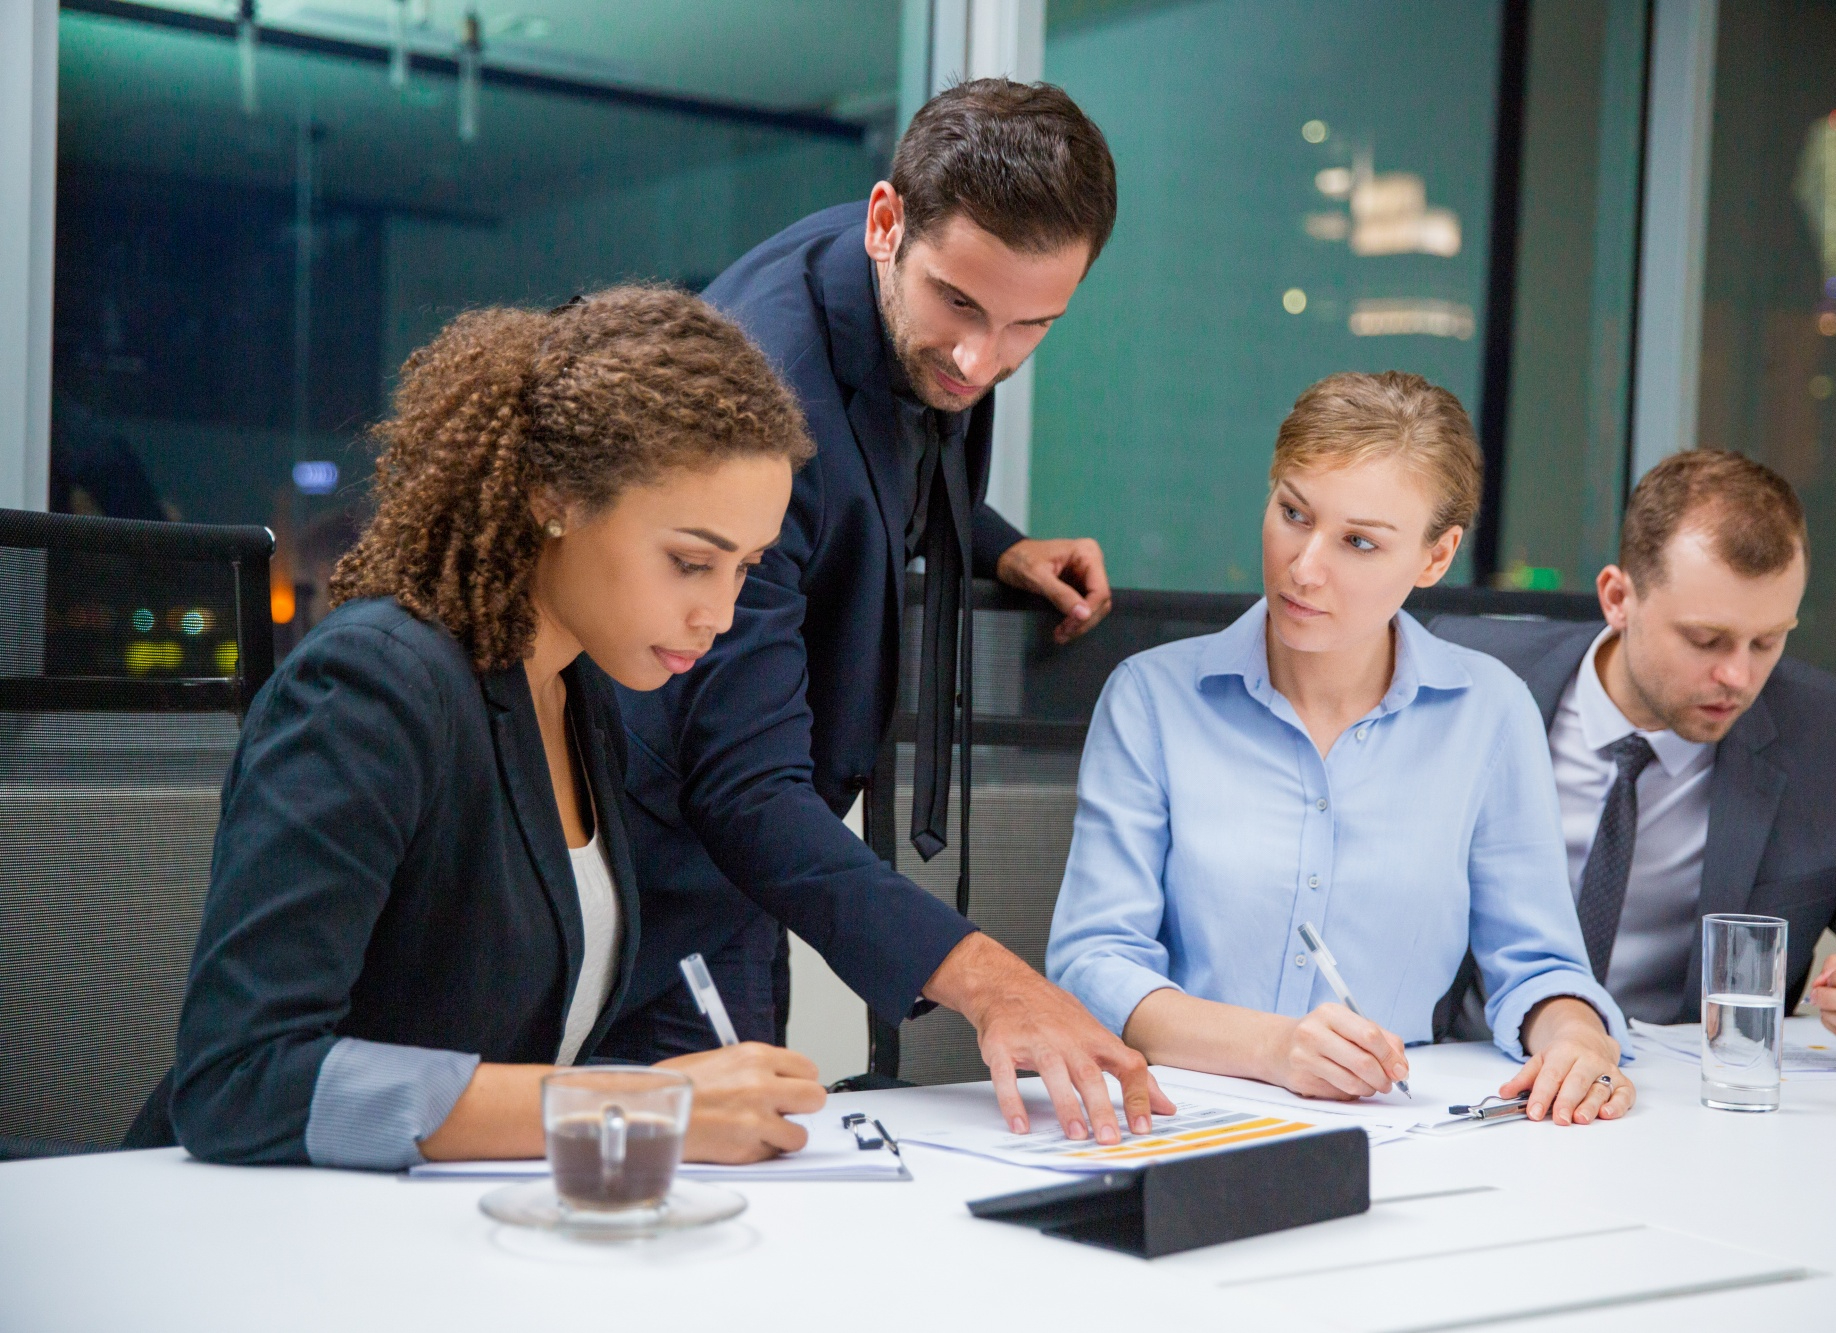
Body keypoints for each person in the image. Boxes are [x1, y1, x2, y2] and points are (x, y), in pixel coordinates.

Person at [608, 79, 1168, 1144]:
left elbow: (890, 453)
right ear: (885, 222)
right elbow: (740, 785)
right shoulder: (762, 410)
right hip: (657, 861)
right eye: (959, 306)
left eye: (1030, 326)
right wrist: (994, 982)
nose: (981, 359)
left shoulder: (913, 277)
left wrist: (989, 541)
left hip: (750, 849)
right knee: (686, 1182)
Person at [168, 286, 831, 1167]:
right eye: (689, 561)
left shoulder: (573, 690)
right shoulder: (371, 686)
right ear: (554, 497)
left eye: (745, 568)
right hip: (269, 1221)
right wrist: (636, 1105)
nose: (720, 613)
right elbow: (240, 1079)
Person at [1047, 372, 1635, 1127]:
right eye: (1293, 513)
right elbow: (1094, 964)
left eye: (1359, 541)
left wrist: (1577, 1037)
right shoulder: (1153, 699)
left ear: (1435, 557)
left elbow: (1539, 964)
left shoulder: (1490, 712)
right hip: (1179, 1122)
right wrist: (1275, 1048)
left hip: (1394, 1128)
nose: (1304, 567)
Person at [1430, 450, 1836, 1059]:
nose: (1738, 676)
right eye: (1706, 640)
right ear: (1618, 598)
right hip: (1459, 1069)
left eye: (1768, 641)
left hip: (1681, 1092)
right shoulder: (1459, 674)